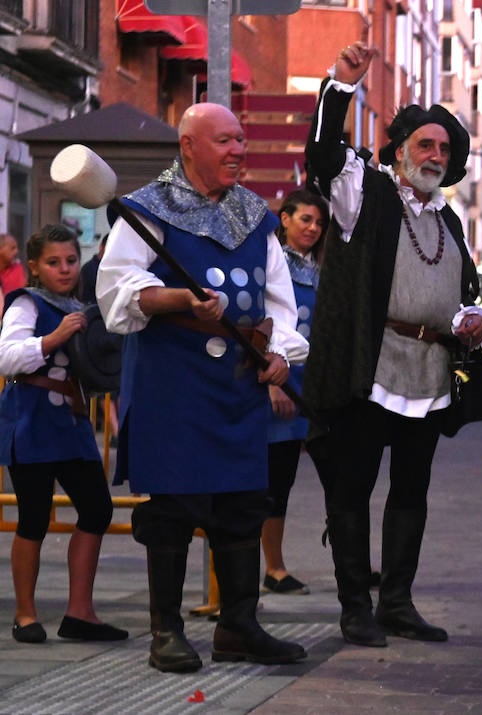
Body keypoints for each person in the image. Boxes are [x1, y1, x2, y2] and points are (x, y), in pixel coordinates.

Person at [97, 102, 310, 672]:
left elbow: (280, 304)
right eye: (225, 141)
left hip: (237, 387)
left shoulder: (256, 215)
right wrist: (175, 298)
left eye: (242, 140)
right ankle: (166, 631)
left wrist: (280, 356)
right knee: (172, 507)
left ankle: (238, 627)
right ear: (188, 145)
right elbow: (118, 290)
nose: (238, 150)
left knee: (242, 505)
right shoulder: (147, 210)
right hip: (173, 383)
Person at [302, 42, 482, 648]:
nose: (434, 155)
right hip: (371, 364)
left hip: (430, 372)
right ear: (402, 149)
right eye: (424, 144)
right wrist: (341, 87)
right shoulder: (367, 195)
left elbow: (464, 293)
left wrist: (473, 320)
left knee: (412, 490)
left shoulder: (450, 221)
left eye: (443, 148)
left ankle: (397, 602)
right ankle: (355, 608)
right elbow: (324, 156)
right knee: (354, 486)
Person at [0, 225, 126, 645]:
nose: (65, 268)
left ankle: (79, 613)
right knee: (33, 518)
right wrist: (53, 338)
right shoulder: (26, 303)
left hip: (70, 423)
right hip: (31, 420)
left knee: (97, 508)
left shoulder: (82, 307)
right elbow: (8, 357)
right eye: (54, 262)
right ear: (34, 267)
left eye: (71, 260)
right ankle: (25, 614)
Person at [261, 189, 329, 596]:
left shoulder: (323, 268)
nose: (313, 228)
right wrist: (274, 383)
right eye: (305, 219)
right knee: (277, 480)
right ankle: (275, 566)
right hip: (281, 386)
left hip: (317, 389)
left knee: (339, 476)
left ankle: (351, 561)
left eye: (319, 222)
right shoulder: (269, 263)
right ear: (284, 219)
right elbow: (264, 323)